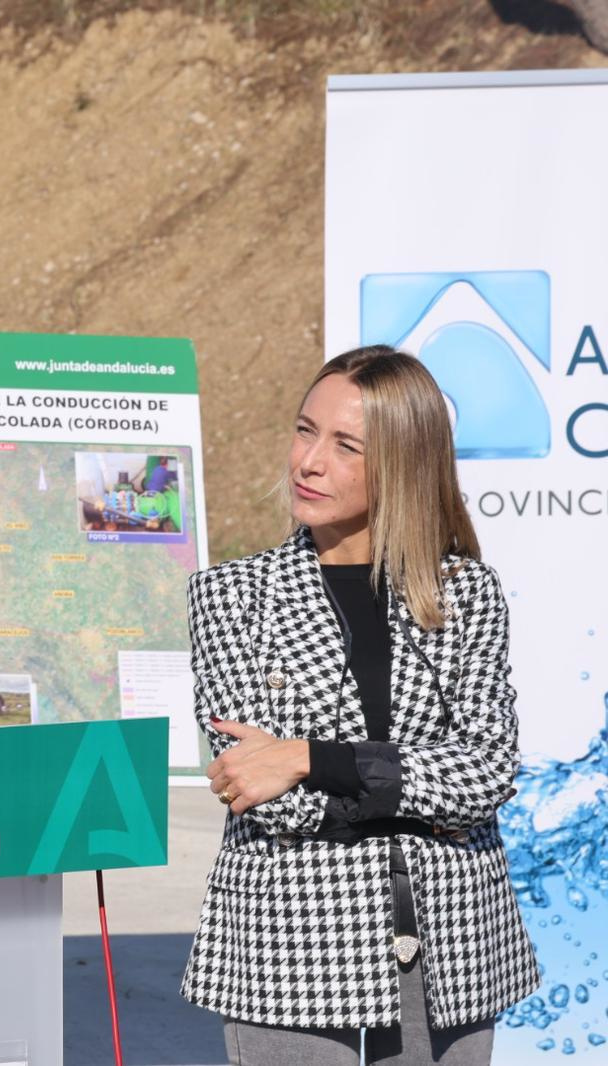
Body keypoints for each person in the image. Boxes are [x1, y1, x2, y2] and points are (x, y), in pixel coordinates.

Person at [179, 346, 538, 1065]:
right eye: (305, 430)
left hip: (454, 949)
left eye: (345, 446)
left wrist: (308, 758)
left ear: (403, 463)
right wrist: (413, 790)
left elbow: (487, 771)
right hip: (294, 952)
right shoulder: (230, 596)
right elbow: (262, 795)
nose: (308, 462)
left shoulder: (466, 595)